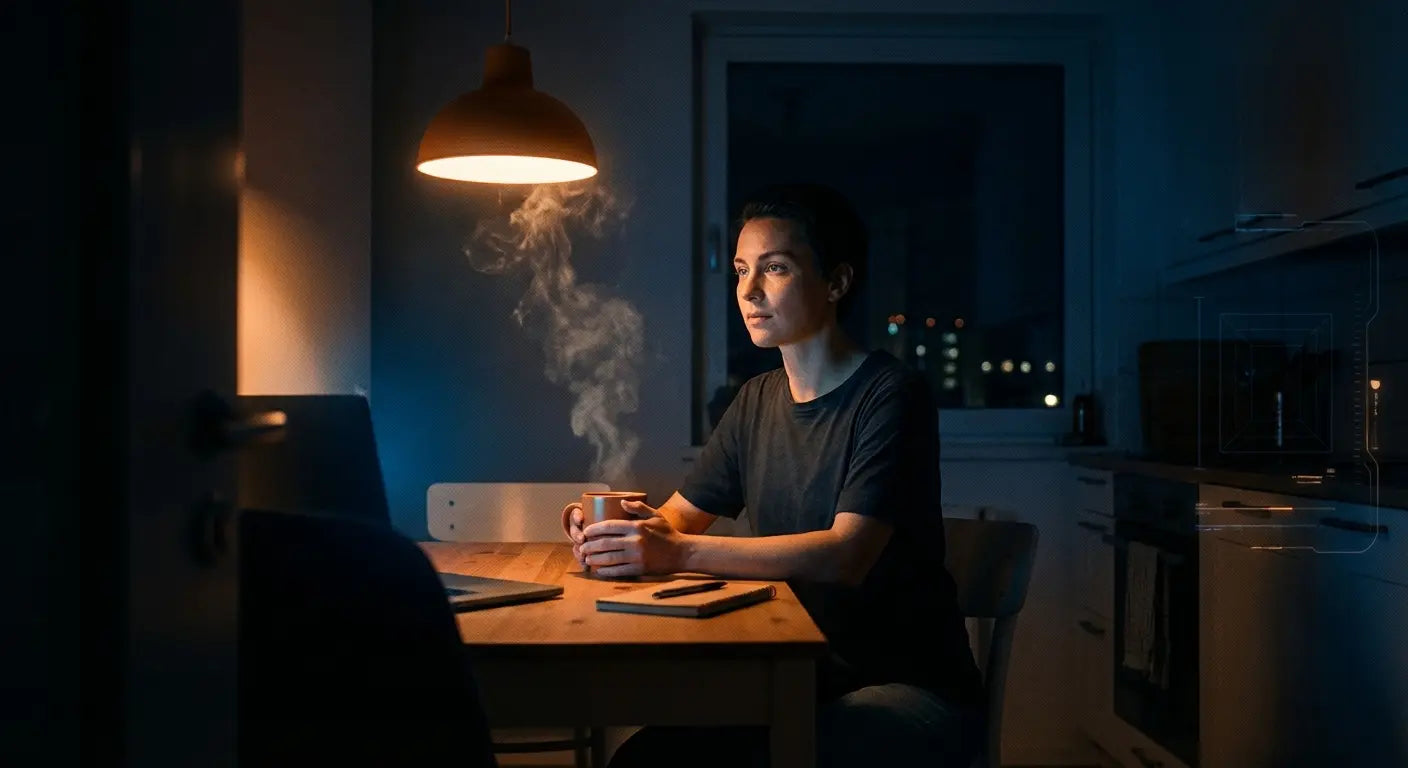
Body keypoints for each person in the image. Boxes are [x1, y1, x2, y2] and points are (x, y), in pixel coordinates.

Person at [568, 183, 985, 768]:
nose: (748, 292)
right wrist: (613, 531)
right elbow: (677, 519)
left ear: (836, 282)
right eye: (741, 270)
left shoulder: (890, 396)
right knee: (644, 759)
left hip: (906, 688)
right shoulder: (756, 399)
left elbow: (846, 555)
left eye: (776, 268)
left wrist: (677, 553)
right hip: (802, 672)